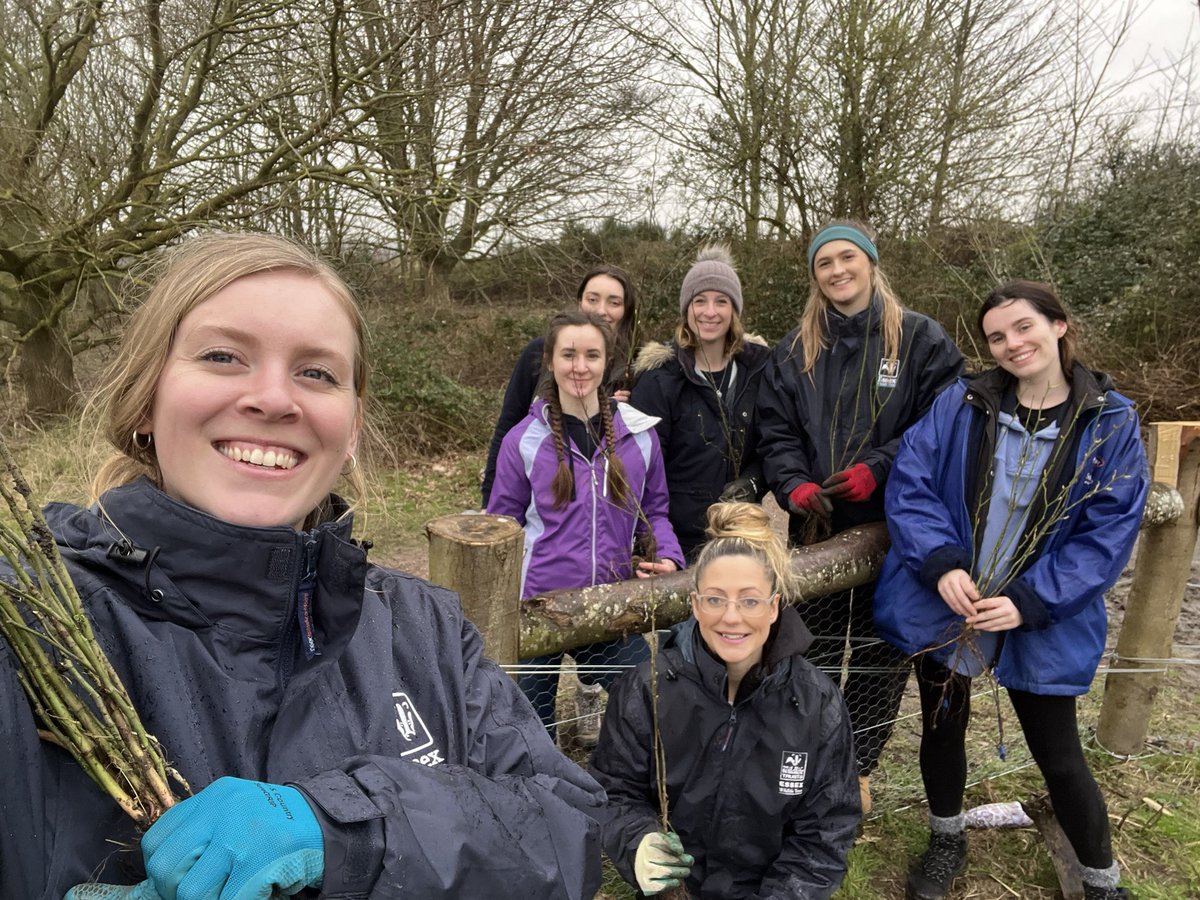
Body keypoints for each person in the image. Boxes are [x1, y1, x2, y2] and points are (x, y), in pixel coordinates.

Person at [0, 233, 605, 900]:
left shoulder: (425, 630)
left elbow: (566, 827)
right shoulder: (29, 637)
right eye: (223, 356)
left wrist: (348, 830)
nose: (273, 399)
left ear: (350, 428)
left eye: (316, 373)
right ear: (147, 398)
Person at [874, 281, 1148, 900]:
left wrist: (1031, 600)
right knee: (943, 727)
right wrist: (941, 563)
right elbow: (912, 483)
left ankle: (1103, 883)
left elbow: (1107, 532)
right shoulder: (962, 403)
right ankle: (946, 838)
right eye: (996, 336)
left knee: (1058, 752)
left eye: (1023, 327)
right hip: (953, 605)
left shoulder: (1109, 423)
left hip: (1039, 615)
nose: (1011, 344)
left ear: (1058, 326)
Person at [756, 219, 963, 812]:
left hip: (897, 525)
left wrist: (883, 466)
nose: (838, 270)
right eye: (825, 263)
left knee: (879, 653)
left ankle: (858, 767)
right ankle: (803, 758)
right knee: (808, 645)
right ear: (815, 276)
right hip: (817, 526)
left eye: (848, 258)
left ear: (871, 263)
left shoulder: (921, 341)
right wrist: (791, 482)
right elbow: (776, 430)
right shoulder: (796, 349)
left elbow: (943, 421)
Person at [589, 501, 860, 899]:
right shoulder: (647, 689)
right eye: (716, 599)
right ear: (696, 605)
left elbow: (825, 832)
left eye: (749, 600)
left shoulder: (818, 705)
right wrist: (638, 843)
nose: (731, 618)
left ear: (774, 606)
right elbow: (614, 789)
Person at [487, 309, 684, 737]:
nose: (580, 366)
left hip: (609, 606)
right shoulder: (523, 440)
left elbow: (656, 511)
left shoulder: (640, 435)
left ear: (607, 361)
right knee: (529, 732)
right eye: (569, 354)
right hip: (536, 610)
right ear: (550, 361)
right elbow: (501, 526)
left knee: (651, 703)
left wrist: (667, 554)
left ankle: (634, 784)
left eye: (592, 355)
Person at [630, 245, 771, 560]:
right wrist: (659, 544)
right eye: (700, 301)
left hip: (743, 533)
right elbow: (642, 472)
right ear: (686, 309)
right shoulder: (659, 381)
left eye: (721, 301)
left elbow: (773, 443)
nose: (710, 312)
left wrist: (752, 482)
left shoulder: (759, 372)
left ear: (734, 310)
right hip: (678, 544)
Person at [480, 264, 638, 506]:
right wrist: (489, 501)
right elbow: (507, 429)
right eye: (592, 299)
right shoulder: (541, 352)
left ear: (626, 311)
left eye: (614, 302)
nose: (601, 310)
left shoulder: (635, 368)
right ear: (579, 302)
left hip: (607, 512)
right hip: (537, 502)